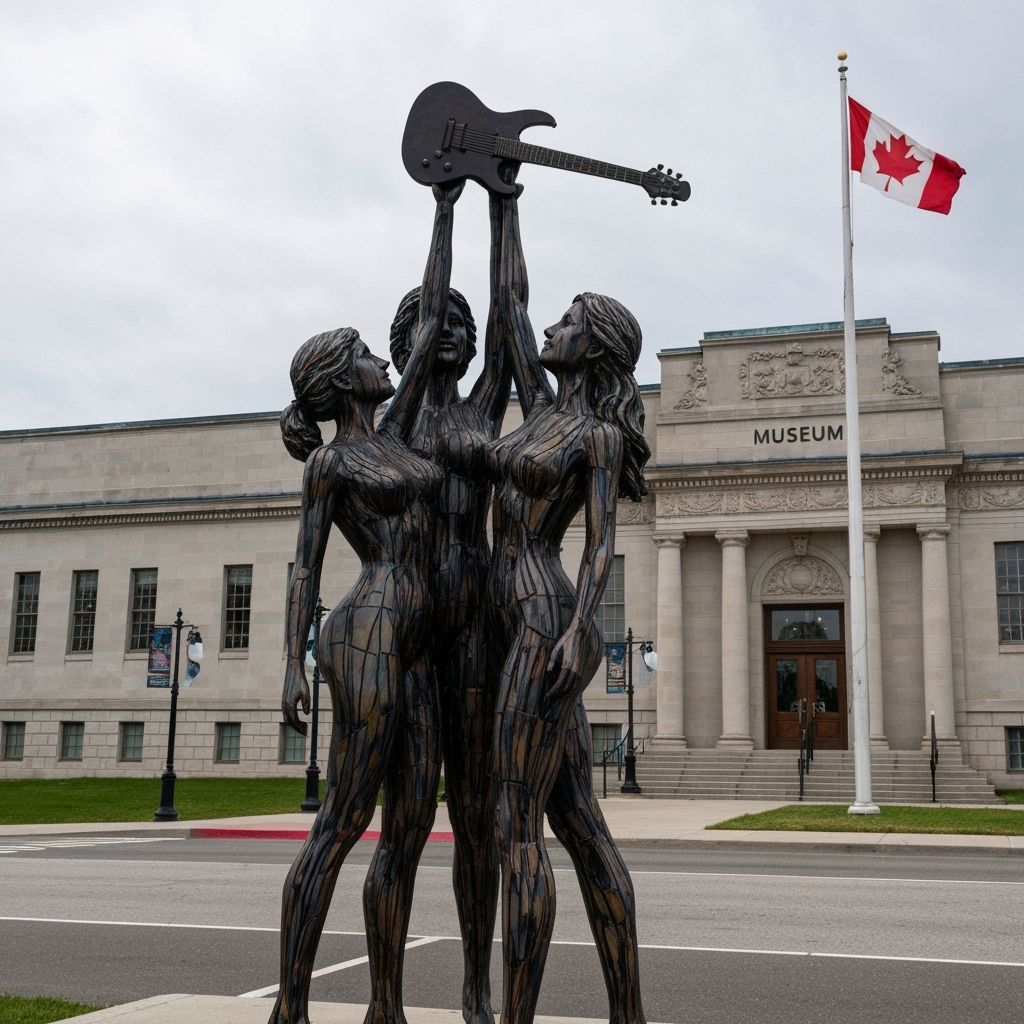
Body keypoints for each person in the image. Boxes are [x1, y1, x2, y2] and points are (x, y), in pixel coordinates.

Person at [269, 180, 463, 1024]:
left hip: (418, 643)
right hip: (368, 634)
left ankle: (387, 1006)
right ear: (341, 379)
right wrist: (293, 663)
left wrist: (446, 204)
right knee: (343, 822)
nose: (386, 361)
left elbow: (430, 312)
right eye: (365, 354)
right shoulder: (332, 464)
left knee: (409, 831)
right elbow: (303, 569)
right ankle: (291, 1004)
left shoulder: (393, 432)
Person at [486, 288, 651, 1024]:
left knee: (517, 825)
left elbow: (601, 542)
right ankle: (628, 1016)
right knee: (582, 823)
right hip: (509, 617)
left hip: (540, 618)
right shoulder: (540, 410)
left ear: (594, 346)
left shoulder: (597, 435)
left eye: (569, 322)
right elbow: (509, 303)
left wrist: (581, 626)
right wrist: (487, 214)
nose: (552, 328)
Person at [384, 165, 522, 1024]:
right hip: (408, 635)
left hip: (475, 630)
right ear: (404, 340)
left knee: (477, 822)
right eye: (435, 322)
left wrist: (503, 208)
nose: (451, 332)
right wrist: (444, 212)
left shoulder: (481, 414)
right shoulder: (395, 421)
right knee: (402, 825)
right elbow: (437, 301)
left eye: (458, 327)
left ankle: (476, 988)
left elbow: (509, 316)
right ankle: (387, 1000)